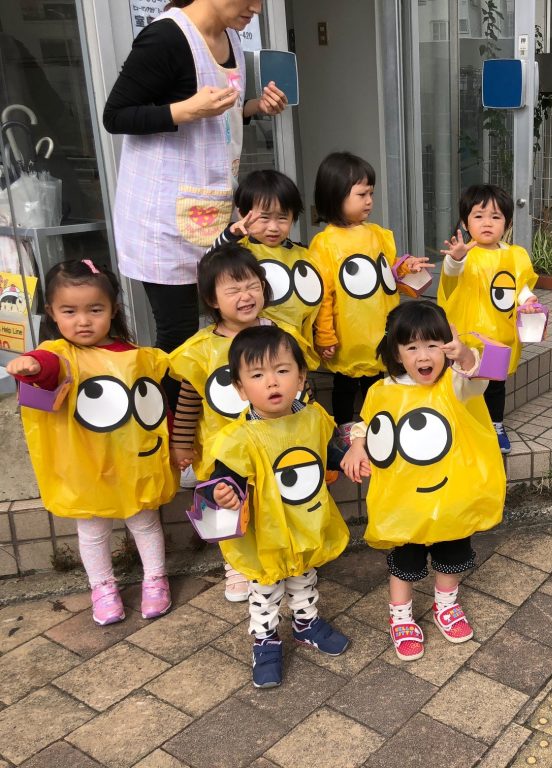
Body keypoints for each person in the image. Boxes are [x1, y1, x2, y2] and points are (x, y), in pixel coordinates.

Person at [103, 0, 286, 409]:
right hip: (162, 214)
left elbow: (221, 115)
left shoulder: (230, 38)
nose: (256, 8)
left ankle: (213, 419)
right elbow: (115, 116)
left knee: (222, 323)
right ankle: (169, 436)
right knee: (178, 333)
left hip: (210, 208)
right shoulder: (166, 36)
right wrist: (185, 110)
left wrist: (255, 107)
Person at [6, 260, 176, 625]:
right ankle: (102, 586)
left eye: (94, 310)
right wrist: (31, 366)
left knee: (145, 521)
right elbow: (48, 365)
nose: (83, 321)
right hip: (86, 466)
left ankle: (155, 579)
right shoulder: (61, 354)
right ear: (51, 312)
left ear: (113, 310)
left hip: (133, 461)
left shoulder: (136, 357)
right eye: (70, 311)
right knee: (93, 529)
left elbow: (153, 404)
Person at [341, 301, 504, 662]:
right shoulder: (382, 389)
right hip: (405, 503)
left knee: (451, 558)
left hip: (451, 499)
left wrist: (464, 356)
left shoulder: (454, 384)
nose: (423, 355)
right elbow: (367, 422)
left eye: (433, 345)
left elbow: (480, 377)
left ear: (446, 345)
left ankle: (446, 605)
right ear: (396, 353)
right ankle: (401, 616)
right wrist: (356, 445)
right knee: (405, 562)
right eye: (412, 347)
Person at [169, 243, 316, 600]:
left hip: (278, 439)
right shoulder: (201, 349)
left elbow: (303, 387)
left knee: (274, 499)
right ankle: (235, 565)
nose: (245, 295)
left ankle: (289, 552)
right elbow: (190, 399)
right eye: (232, 289)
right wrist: (181, 443)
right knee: (224, 499)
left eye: (252, 285)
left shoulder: (281, 336)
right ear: (212, 299)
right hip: (223, 443)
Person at [206, 325, 351, 688]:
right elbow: (226, 480)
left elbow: (329, 450)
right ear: (240, 388)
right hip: (266, 533)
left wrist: (350, 457)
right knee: (266, 589)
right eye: (257, 375)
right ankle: (266, 641)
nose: (272, 383)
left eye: (282, 371)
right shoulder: (239, 436)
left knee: (305, 574)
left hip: (304, 520)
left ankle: (306, 623)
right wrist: (225, 492)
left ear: (301, 376)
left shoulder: (313, 417)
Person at [310, 152, 430, 425]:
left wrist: (405, 268)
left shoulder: (378, 234)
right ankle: (344, 427)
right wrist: (325, 335)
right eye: (361, 194)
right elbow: (324, 295)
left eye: (371, 194)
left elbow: (387, 273)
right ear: (335, 195)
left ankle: (378, 424)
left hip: (380, 328)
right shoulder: (325, 243)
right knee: (345, 384)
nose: (369, 201)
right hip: (348, 334)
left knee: (377, 382)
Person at [438, 184, 542, 453]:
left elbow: (521, 287)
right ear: (465, 221)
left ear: (506, 222)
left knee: (495, 385)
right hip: (465, 337)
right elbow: (450, 276)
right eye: (478, 215)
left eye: (495, 217)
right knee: (463, 381)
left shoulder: (515, 255)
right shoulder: (463, 256)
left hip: (499, 338)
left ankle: (496, 424)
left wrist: (528, 301)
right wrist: (457, 259)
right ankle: (461, 425)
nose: (487, 223)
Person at [210, 170, 322, 349]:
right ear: (242, 214)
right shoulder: (238, 250)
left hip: (295, 346)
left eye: (283, 218)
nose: (273, 227)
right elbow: (209, 265)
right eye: (264, 217)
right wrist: (230, 235)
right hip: (251, 346)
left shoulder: (302, 253)